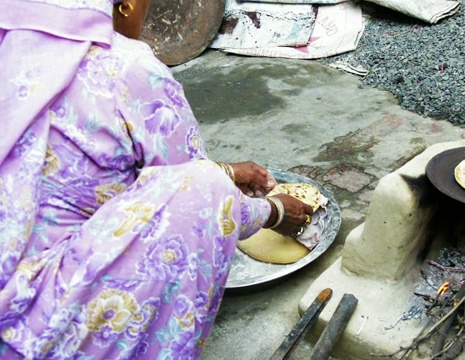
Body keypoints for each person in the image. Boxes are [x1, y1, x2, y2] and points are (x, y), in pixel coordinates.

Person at [0, 0, 314, 358]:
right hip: (36, 328)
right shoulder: (123, 66)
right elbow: (193, 195)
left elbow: (77, 181)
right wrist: (272, 211)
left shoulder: (11, 52)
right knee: (203, 186)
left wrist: (227, 169)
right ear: (127, 6)